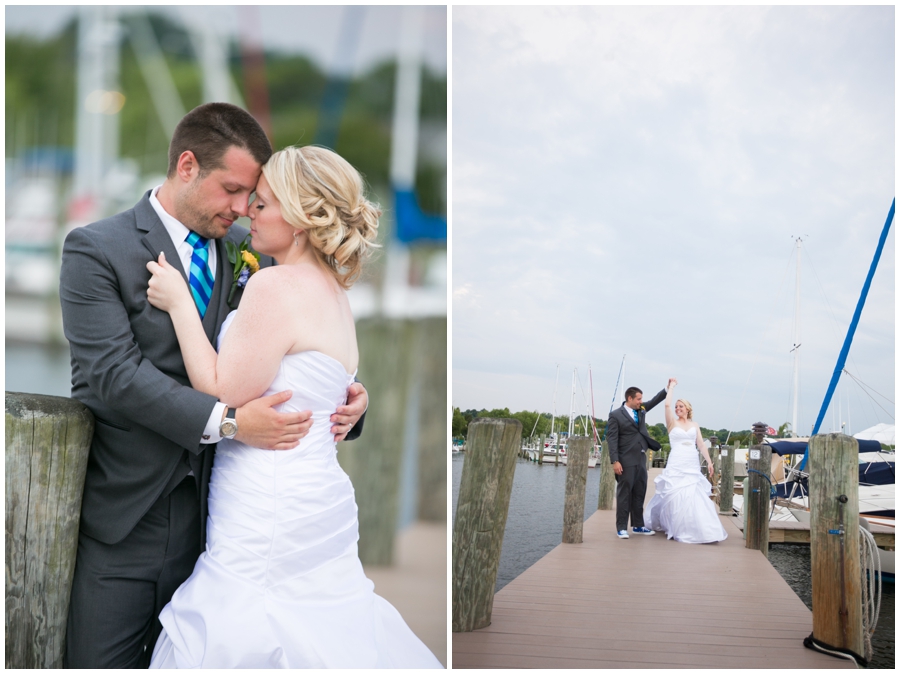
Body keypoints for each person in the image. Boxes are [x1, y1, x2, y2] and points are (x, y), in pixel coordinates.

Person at [59, 103, 368, 668]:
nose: (242, 208)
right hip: (128, 523)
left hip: (220, 526)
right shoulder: (96, 249)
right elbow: (113, 375)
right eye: (231, 190)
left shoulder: (249, 261)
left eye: (254, 197)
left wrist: (349, 398)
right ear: (185, 166)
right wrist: (228, 423)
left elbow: (291, 351)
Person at [143, 144, 442, 668]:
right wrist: (358, 396)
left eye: (261, 204)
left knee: (248, 621)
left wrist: (179, 304)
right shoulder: (336, 294)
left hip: (269, 500)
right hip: (318, 500)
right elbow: (329, 381)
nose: (247, 213)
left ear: (301, 218)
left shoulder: (275, 285)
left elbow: (220, 388)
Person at [644, 379, 728, 544]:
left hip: (691, 460)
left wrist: (710, 462)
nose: (677, 409)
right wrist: (671, 387)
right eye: (676, 406)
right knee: (675, 492)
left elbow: (701, 444)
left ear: (688, 409)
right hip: (677, 460)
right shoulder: (671, 423)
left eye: (681, 406)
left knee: (693, 493)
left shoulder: (694, 424)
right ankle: (676, 526)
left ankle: (696, 527)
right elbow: (666, 406)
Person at [606, 383, 670, 538]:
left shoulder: (641, 410)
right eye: (639, 399)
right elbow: (612, 439)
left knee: (639, 492)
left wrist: (668, 389)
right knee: (624, 494)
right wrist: (615, 461)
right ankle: (621, 527)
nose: (641, 401)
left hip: (641, 458)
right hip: (625, 459)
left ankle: (638, 526)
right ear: (630, 398)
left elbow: (654, 401)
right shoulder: (616, 415)